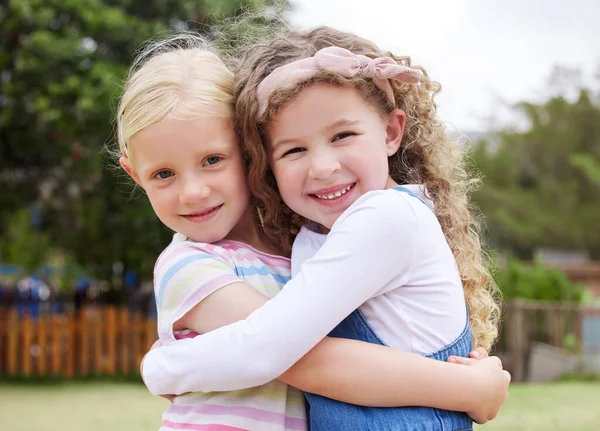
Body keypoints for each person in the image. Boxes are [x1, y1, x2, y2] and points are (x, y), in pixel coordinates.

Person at [140, 28, 508, 430]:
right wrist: (466, 388)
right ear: (263, 162)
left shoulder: (385, 219)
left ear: (390, 132)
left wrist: (162, 366)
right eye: (294, 149)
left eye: (343, 135)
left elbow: (268, 348)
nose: (322, 167)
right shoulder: (315, 238)